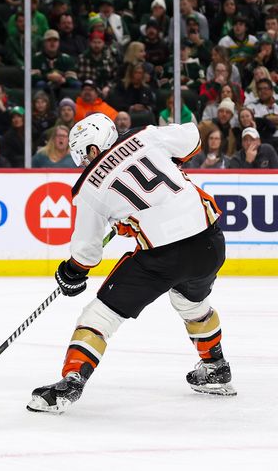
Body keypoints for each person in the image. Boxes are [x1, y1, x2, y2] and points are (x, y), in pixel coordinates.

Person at [27, 114, 234, 414]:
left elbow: (86, 252)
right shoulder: (145, 136)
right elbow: (192, 138)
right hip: (210, 242)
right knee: (191, 303)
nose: (84, 164)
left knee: (98, 317)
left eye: (83, 156)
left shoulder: (89, 187)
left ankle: (71, 380)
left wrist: (72, 272)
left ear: (92, 150)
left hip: (163, 256)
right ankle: (216, 367)